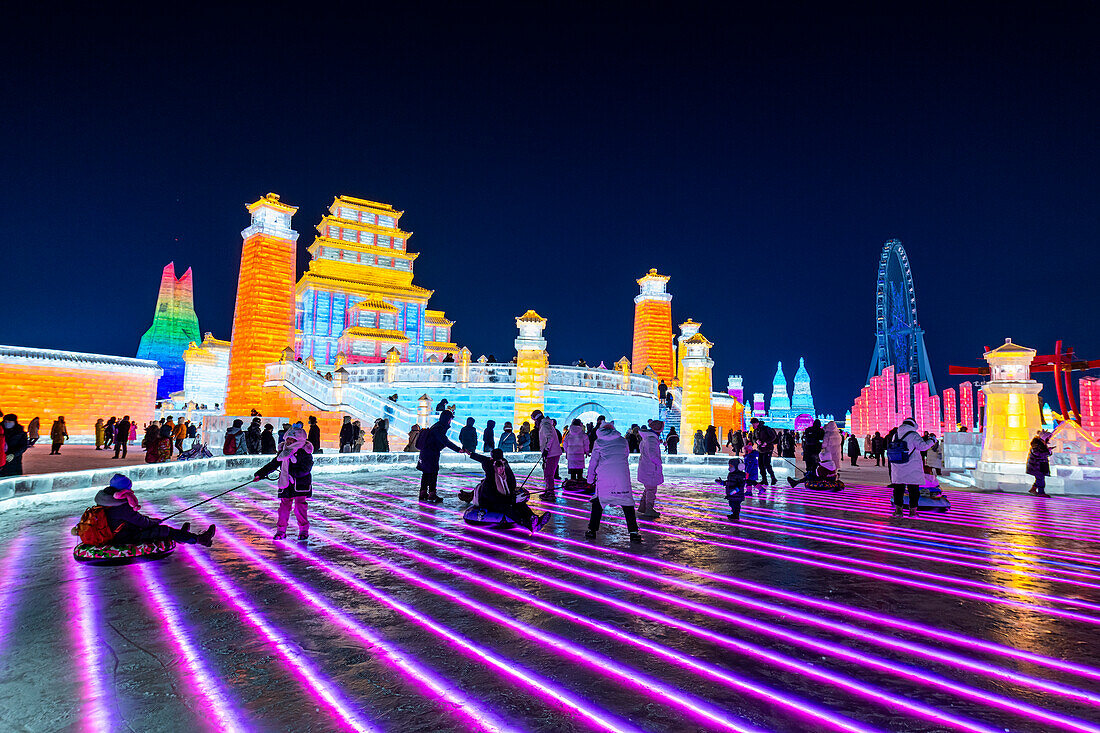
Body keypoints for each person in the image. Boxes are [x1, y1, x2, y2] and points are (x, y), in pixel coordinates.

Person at [91, 474, 215, 546]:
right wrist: (154, 521)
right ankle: (200, 539)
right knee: (163, 530)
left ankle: (181, 536)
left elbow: (132, 518)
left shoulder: (105, 500)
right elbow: (141, 522)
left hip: (117, 531)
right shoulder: (121, 505)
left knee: (156, 529)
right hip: (123, 537)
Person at [585, 422, 642, 544]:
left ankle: (592, 530)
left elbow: (593, 462)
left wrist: (590, 479)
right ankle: (633, 532)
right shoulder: (622, 441)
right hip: (621, 475)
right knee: (626, 502)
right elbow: (625, 455)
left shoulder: (599, 442)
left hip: (605, 475)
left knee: (599, 501)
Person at [467, 449, 550, 532]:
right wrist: (512, 499)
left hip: (503, 499)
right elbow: (494, 499)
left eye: (504, 465)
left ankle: (534, 518)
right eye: (500, 465)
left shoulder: (506, 478)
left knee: (520, 504)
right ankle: (527, 523)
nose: (502, 468)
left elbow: (510, 490)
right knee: (507, 507)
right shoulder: (489, 482)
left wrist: (516, 496)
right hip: (490, 503)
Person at [255, 425, 315, 541]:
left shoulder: (304, 452)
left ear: (299, 440)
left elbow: (306, 468)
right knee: (283, 509)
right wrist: (261, 473)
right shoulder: (283, 452)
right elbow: (273, 464)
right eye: (288, 438)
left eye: (292, 439)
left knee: (299, 507)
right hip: (285, 484)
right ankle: (281, 530)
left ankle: (303, 530)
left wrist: (293, 474)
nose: (289, 441)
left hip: (300, 485)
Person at [888, 417, 936, 517]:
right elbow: (922, 447)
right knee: (913, 490)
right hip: (912, 466)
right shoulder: (913, 435)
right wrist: (932, 440)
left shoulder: (895, 435)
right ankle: (913, 512)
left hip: (898, 465)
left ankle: (898, 511)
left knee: (898, 489)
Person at [416, 410, 465, 503]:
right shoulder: (439, 428)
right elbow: (445, 441)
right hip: (431, 453)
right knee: (433, 473)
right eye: (450, 419)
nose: (450, 421)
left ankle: (423, 493)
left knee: (426, 473)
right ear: (447, 419)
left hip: (426, 452)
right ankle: (431, 494)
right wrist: (458, 449)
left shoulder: (437, 426)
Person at [637, 419, 664, 519]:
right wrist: (659, 462)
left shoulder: (648, 438)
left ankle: (643, 507)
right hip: (651, 468)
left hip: (646, 467)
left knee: (648, 488)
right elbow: (653, 455)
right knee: (651, 489)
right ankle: (649, 509)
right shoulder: (652, 439)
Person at [539, 415, 562, 496]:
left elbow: (550, 437)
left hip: (552, 453)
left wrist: (546, 449)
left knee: (549, 474)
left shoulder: (545, 425)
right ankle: (548, 490)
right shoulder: (547, 424)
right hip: (552, 453)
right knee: (548, 473)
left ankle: (550, 493)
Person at [1027, 430, 1053, 496]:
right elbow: (1037, 453)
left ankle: (1033, 489)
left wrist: (1048, 451)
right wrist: (1047, 452)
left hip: (1040, 464)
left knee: (1039, 478)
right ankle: (1041, 492)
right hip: (1037, 465)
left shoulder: (1041, 443)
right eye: (1048, 437)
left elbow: (1043, 453)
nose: (1049, 438)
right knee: (1040, 478)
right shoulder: (1036, 444)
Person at [752, 419, 778, 486]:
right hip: (760, 449)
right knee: (760, 464)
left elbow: (773, 436)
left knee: (766, 464)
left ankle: (773, 478)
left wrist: (766, 442)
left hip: (768, 449)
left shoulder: (766, 429)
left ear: (757, 423)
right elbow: (753, 438)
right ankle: (764, 479)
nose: (753, 425)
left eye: (754, 423)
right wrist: (756, 441)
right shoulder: (755, 430)